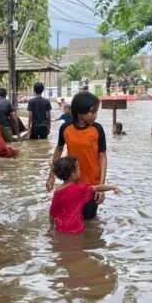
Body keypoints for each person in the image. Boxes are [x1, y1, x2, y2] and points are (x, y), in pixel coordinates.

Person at [46, 91, 107, 220]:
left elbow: (102, 156)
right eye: (92, 112)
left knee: (89, 220)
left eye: (96, 112)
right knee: (70, 218)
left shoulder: (97, 129)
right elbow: (58, 151)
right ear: (79, 112)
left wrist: (101, 186)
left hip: (92, 185)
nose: (95, 115)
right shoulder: (65, 128)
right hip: (71, 183)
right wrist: (51, 176)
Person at [50, 156, 121, 234]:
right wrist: (114, 188)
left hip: (60, 228)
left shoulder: (57, 191)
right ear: (73, 175)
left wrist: (50, 227)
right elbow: (98, 187)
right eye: (78, 169)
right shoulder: (80, 190)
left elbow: (53, 211)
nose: (80, 171)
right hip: (76, 229)